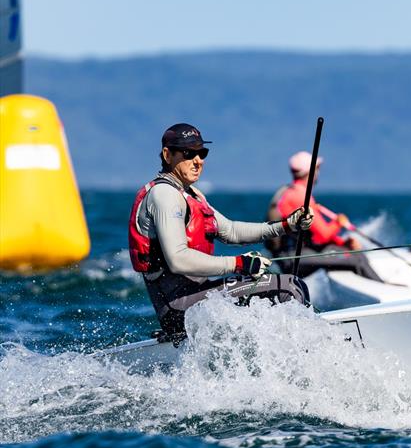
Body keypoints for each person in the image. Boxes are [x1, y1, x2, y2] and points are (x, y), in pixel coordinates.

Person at [129, 123, 314, 341]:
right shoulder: (164, 195)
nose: (198, 160)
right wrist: (239, 264)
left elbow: (231, 231)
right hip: (180, 309)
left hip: (197, 298)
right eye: (188, 153)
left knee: (277, 284)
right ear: (168, 155)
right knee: (290, 287)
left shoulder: (192, 195)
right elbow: (178, 259)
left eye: (201, 153)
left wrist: (285, 226)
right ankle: (306, 351)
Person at [265, 151, 382, 281]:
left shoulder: (290, 191)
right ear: (311, 171)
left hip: (292, 254)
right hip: (292, 259)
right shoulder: (300, 197)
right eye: (317, 168)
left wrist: (343, 243)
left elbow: (314, 237)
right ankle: (385, 290)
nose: (318, 172)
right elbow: (323, 235)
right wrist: (338, 222)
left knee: (351, 253)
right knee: (356, 258)